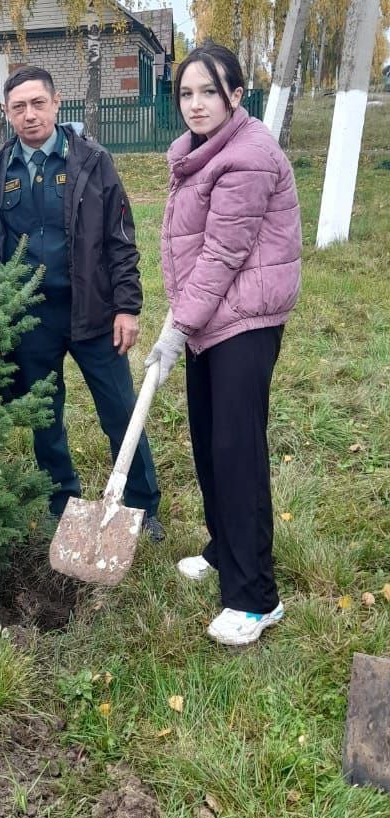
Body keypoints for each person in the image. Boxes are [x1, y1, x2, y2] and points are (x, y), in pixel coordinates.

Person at [145, 42, 301, 646]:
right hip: (210, 316)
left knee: (237, 449)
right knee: (210, 439)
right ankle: (222, 545)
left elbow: (222, 254)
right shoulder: (195, 151)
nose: (196, 103)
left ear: (236, 95)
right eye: (186, 93)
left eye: (209, 91)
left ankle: (255, 596)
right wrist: (186, 321)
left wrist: (176, 325)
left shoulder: (250, 155)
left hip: (246, 318)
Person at [0, 64, 162, 537]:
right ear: (6, 112)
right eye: (18, 107)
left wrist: (127, 307)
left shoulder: (92, 160)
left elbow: (121, 238)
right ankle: (61, 500)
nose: (29, 115)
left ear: (56, 103)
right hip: (30, 317)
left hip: (93, 311)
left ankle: (142, 505)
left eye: (37, 103)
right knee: (46, 414)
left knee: (120, 409)